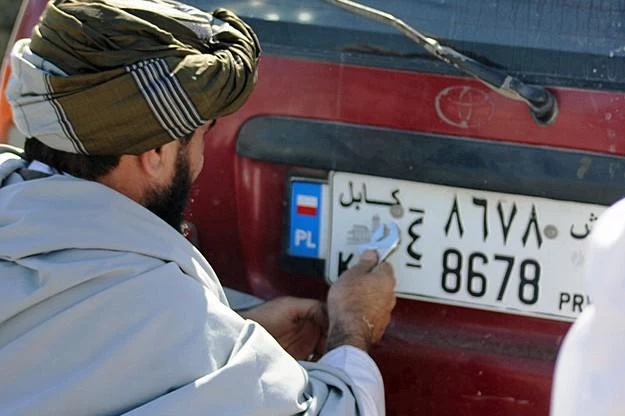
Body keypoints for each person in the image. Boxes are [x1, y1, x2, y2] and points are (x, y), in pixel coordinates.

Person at [0, 1, 396, 415]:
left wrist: (238, 328)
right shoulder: (163, 310)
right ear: (155, 150)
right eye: (202, 136)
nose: (202, 158)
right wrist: (352, 330)